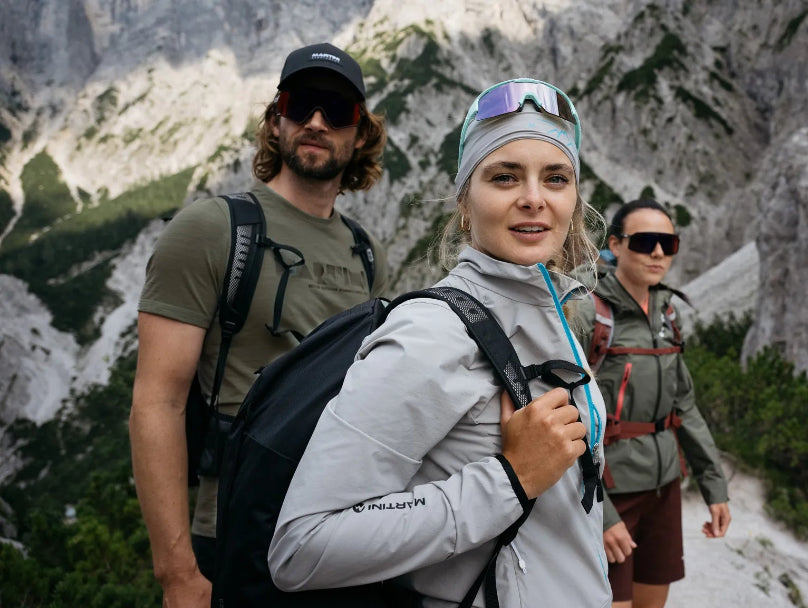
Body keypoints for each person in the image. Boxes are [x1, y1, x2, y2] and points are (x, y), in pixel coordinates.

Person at [267, 78, 611, 607]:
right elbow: (302, 547)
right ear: (466, 203)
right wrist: (510, 480)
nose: (534, 199)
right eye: (504, 176)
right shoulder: (430, 333)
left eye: (556, 178)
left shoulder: (553, 312)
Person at [129, 42, 390, 607]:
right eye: (300, 106)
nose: (316, 122)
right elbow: (157, 402)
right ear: (276, 122)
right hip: (235, 530)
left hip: (343, 531)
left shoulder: (366, 253)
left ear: (361, 134)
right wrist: (176, 572)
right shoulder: (211, 228)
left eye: (337, 110)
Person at [574, 198, 732, 608]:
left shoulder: (668, 312)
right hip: (611, 489)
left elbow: (686, 408)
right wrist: (604, 515)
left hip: (664, 489)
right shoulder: (588, 312)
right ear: (616, 244)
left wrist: (715, 487)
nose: (658, 253)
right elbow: (566, 419)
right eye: (645, 241)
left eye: (668, 242)